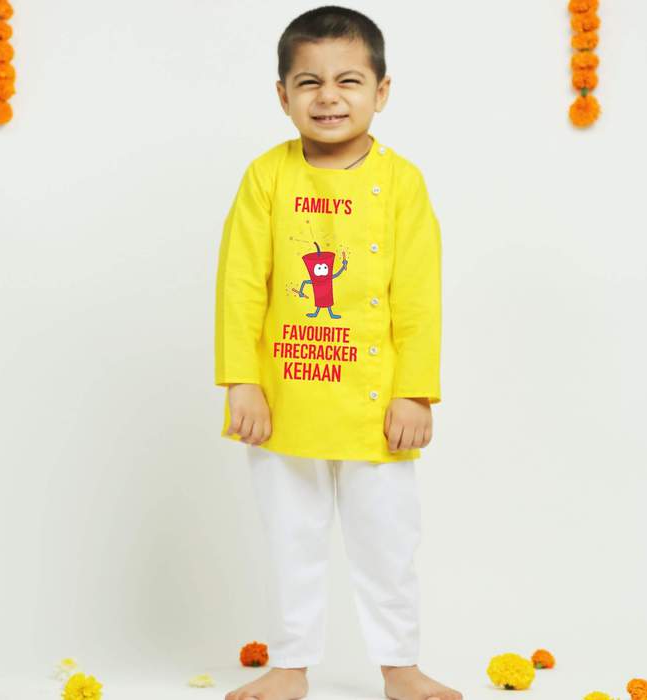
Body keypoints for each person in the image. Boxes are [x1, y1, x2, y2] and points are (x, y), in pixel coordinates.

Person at [214, 6, 462, 700]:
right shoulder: (266, 177)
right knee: (289, 540)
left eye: (348, 81)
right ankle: (289, 666)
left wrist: (415, 391)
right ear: (282, 94)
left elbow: (418, 295)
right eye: (309, 82)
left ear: (381, 91)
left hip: (377, 408)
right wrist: (241, 381)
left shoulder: (403, 183)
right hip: (282, 400)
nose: (328, 97)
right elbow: (240, 285)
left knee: (389, 543)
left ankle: (400, 667)